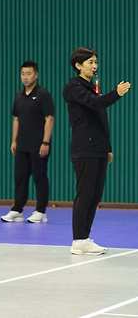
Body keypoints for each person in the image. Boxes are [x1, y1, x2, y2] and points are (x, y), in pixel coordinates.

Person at [63, 47, 131, 255]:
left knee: (95, 195)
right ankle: (78, 240)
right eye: (90, 62)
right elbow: (95, 104)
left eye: (95, 62)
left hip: (99, 149)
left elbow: (100, 117)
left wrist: (107, 147)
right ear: (78, 65)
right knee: (85, 194)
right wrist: (116, 94)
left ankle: (85, 237)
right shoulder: (73, 87)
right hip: (85, 148)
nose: (94, 66)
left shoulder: (91, 86)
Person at [1, 60, 54, 223]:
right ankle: (17, 209)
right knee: (20, 177)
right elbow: (16, 119)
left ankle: (41, 211)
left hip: (39, 145)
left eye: (29, 73)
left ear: (36, 75)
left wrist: (45, 142)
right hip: (22, 145)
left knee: (39, 177)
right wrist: (14, 141)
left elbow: (49, 119)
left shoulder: (43, 94)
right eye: (23, 74)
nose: (25, 77)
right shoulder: (18, 96)